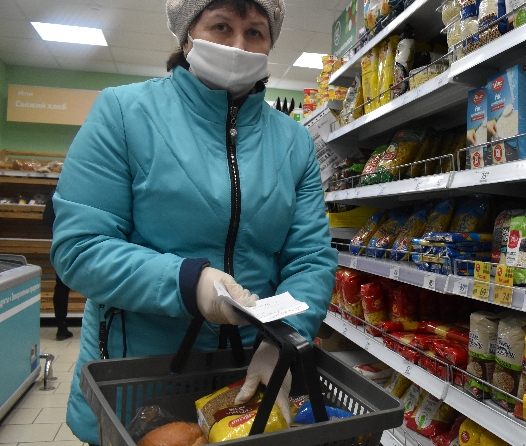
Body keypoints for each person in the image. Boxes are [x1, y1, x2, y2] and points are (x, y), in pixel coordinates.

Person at [49, 0, 337, 443]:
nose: (238, 45)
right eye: (221, 26)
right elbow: (81, 247)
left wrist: (284, 337)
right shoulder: (123, 113)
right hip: (139, 374)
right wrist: (189, 283)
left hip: (247, 379)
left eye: (255, 32)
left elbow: (311, 258)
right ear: (187, 37)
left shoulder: (294, 142)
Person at [42, 194, 73, 341]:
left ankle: (61, 327)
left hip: (62, 245)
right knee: (92, 284)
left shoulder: (56, 195)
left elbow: (46, 219)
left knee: (61, 287)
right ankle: (100, 326)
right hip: (85, 242)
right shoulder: (82, 192)